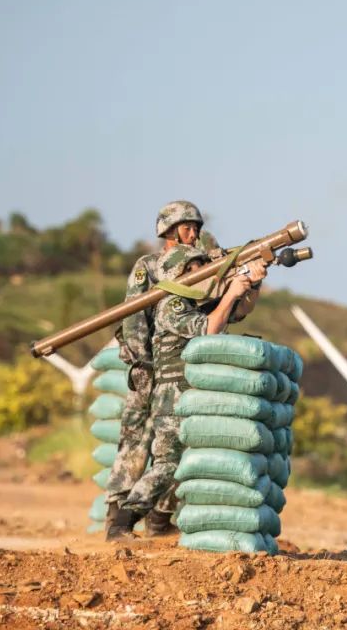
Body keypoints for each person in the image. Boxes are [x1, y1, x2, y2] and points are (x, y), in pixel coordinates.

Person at [121, 243, 266, 523]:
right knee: (167, 464)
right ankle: (123, 521)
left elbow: (233, 314)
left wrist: (251, 286)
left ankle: (159, 521)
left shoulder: (193, 304)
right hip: (171, 394)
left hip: (189, 392)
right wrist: (232, 292)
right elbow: (208, 329)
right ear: (177, 273)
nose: (201, 271)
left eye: (201, 265)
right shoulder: (171, 304)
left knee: (192, 463)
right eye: (192, 267)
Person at [105, 201, 223, 541]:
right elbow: (133, 315)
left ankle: (159, 517)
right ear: (169, 230)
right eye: (188, 226)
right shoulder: (149, 266)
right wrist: (141, 362)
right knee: (136, 438)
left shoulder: (196, 265)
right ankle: (117, 511)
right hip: (149, 363)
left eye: (197, 227)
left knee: (173, 448)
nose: (194, 233)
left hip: (177, 364)